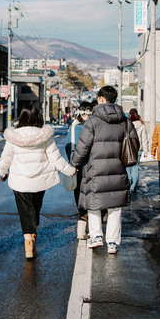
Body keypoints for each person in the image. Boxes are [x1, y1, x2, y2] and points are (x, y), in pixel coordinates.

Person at [0, 104, 76, 259]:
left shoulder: (13, 137)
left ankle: (28, 244)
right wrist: (70, 170)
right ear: (38, 117)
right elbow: (55, 158)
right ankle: (33, 235)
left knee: (24, 211)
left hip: (20, 182)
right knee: (35, 208)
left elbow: (6, 157)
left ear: (21, 118)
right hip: (41, 181)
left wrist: (2, 172)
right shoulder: (44, 135)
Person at [71, 86, 138, 255]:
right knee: (115, 207)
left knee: (94, 203)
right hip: (118, 169)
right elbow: (135, 143)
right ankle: (113, 243)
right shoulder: (124, 121)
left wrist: (75, 162)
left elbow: (82, 146)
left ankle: (96, 237)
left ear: (101, 99)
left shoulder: (92, 121)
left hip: (95, 170)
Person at [65, 101, 93, 239]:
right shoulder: (94, 126)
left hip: (76, 166)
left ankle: (82, 221)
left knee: (78, 193)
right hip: (92, 165)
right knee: (92, 194)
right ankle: (93, 228)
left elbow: (67, 147)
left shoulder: (73, 128)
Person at [126, 108, 149, 193]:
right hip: (138, 149)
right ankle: (133, 187)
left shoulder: (127, 124)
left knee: (127, 167)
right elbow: (144, 140)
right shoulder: (142, 126)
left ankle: (128, 181)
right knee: (135, 167)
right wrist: (146, 151)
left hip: (128, 149)